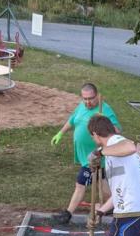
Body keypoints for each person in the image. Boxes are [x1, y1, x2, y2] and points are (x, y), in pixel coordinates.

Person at [50, 83, 121, 224]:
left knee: (81, 184)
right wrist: (60, 133)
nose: (88, 102)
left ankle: (68, 214)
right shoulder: (81, 106)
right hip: (85, 156)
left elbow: (117, 131)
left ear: (97, 96)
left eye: (91, 98)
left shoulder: (105, 109)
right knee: (103, 184)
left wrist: (104, 121)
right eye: (85, 99)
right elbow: (72, 120)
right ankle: (114, 205)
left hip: (95, 158)